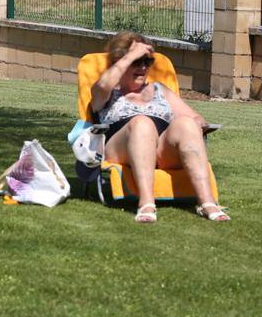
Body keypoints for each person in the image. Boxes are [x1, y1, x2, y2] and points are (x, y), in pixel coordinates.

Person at [91, 32, 228, 223]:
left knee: (186, 123)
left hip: (160, 150)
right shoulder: (107, 92)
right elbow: (104, 84)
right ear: (119, 61)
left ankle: (207, 202)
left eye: (148, 61)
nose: (144, 67)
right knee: (142, 122)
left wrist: (197, 123)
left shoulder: (159, 90)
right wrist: (131, 54)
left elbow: (196, 116)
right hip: (121, 146)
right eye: (138, 61)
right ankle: (147, 202)